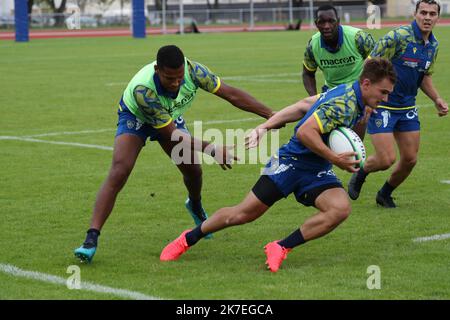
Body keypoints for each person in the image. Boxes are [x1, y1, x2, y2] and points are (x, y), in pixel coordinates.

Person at [159, 58, 396, 272]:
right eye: (383, 92)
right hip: (290, 162)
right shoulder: (343, 103)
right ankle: (188, 238)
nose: (385, 98)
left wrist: (264, 127)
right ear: (366, 84)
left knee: (340, 209)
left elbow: (304, 105)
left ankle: (280, 247)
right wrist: (334, 159)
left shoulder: (354, 98)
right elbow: (304, 131)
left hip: (316, 169)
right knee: (242, 214)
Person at [74, 45, 274, 263]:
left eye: (179, 78)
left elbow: (231, 94)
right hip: (137, 117)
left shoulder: (194, 72)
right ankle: (91, 239)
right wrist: (212, 149)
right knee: (120, 170)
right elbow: (172, 134)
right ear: (157, 69)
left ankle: (195, 205)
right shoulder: (144, 90)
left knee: (193, 171)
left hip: (168, 116)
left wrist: (271, 115)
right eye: (170, 78)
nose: (176, 83)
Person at [348, 0, 448, 208]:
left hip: (407, 108)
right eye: (423, 13)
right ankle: (362, 173)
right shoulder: (398, 37)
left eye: (432, 14)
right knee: (386, 159)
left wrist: (436, 98)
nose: (427, 17)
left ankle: (384, 194)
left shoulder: (433, 45)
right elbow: (369, 66)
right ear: (415, 14)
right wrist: (366, 100)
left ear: (438, 17)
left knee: (410, 159)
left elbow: (424, 76)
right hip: (382, 106)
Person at [302, 4, 375, 138]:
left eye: (331, 21)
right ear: (315, 24)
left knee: (354, 144)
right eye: (321, 22)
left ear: (339, 21)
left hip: (357, 95)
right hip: (331, 95)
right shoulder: (313, 45)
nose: (326, 26)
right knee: (328, 142)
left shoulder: (358, 37)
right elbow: (307, 72)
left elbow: (377, 64)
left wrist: (369, 98)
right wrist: (315, 100)